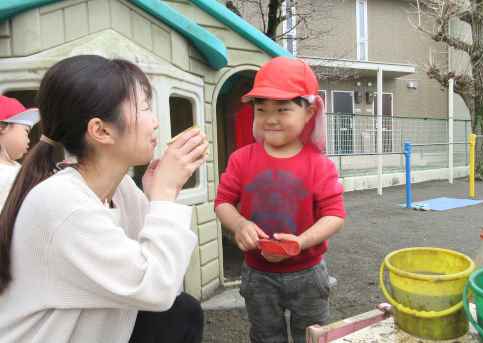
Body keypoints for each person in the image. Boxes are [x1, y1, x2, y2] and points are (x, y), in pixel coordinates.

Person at [0, 55, 209, 343]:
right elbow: (156, 287)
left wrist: (156, 198)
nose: (155, 122)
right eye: (145, 108)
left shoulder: (119, 188)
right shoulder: (61, 202)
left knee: (181, 311)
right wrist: (164, 195)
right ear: (101, 130)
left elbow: (164, 278)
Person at [214, 56, 346, 343]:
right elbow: (223, 202)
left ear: (309, 112)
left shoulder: (319, 165)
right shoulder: (241, 159)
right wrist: (238, 225)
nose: (270, 119)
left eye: (282, 109)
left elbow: (335, 215)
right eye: (261, 109)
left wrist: (299, 243)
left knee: (311, 337)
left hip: (308, 271)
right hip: (258, 273)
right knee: (265, 337)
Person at [0, 95, 40, 209]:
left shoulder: (12, 167)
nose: (28, 140)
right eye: (26, 131)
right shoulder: (5, 174)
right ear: (2, 127)